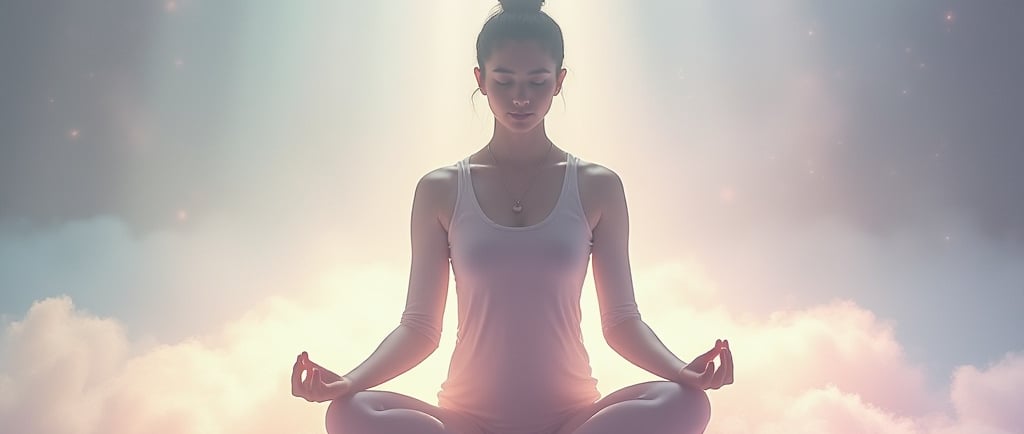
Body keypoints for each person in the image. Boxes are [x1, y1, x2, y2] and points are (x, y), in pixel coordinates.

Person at [290, 1, 734, 433]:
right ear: (481, 80)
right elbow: (420, 328)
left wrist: (683, 371)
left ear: (559, 82)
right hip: (465, 422)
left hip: (573, 420)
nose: (521, 97)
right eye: (504, 81)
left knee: (685, 401)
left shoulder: (598, 186)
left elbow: (621, 321)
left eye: (537, 82)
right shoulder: (440, 190)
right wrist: (348, 381)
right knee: (350, 412)